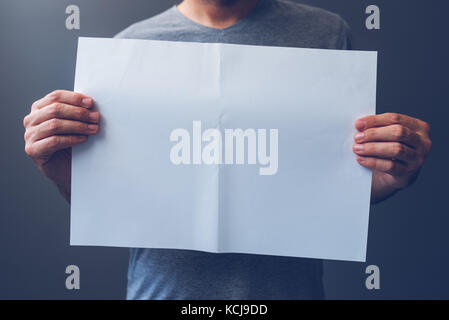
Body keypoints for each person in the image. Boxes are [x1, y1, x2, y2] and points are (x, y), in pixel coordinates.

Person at [23, 0, 432, 299]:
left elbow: (332, 187)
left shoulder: (326, 34)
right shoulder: (130, 48)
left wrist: (385, 178)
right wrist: (64, 174)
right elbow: (119, 204)